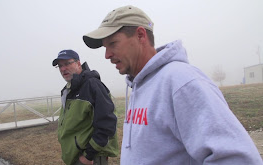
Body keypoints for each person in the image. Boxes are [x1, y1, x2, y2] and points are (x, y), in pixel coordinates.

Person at [83, 5, 263, 165]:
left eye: (113, 43)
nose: (107, 55)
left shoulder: (181, 82)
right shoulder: (139, 85)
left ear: (140, 35)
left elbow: (237, 158)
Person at [53, 49, 118, 165]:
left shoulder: (92, 85)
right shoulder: (69, 89)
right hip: (75, 156)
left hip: (91, 158)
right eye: (60, 66)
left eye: (67, 63)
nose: (63, 69)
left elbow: (108, 122)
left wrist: (88, 155)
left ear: (78, 64)